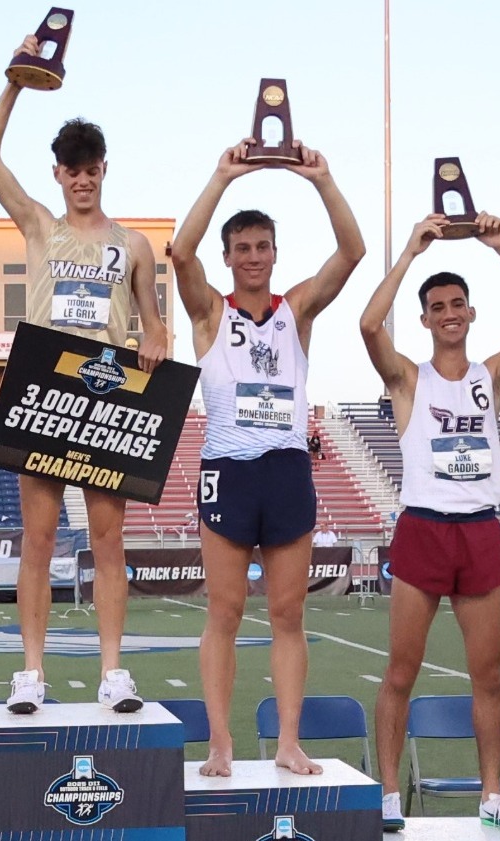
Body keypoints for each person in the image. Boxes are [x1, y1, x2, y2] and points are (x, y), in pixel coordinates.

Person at [0, 35, 174, 714]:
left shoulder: (134, 244)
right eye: (71, 169)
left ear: (104, 170)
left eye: (90, 169)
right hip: (44, 391)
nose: (81, 178)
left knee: (109, 539)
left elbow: (154, 323)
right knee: (38, 538)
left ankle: (113, 671)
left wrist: (155, 339)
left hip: (107, 396)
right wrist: (17, 83)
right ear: (57, 174)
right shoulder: (38, 226)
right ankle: (30, 672)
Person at [170, 137, 365, 776]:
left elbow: (353, 253)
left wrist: (323, 179)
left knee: (288, 613)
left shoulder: (296, 310)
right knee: (223, 611)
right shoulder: (209, 312)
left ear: (275, 253)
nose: (253, 257)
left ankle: (287, 741)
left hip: (286, 470)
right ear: (228, 257)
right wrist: (222, 175)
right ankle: (221, 742)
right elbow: (181, 251)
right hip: (228, 470)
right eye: (242, 248)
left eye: (263, 247)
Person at [356, 209, 500, 832]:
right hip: (423, 528)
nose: (448, 312)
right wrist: (411, 252)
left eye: (458, 303)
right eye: (437, 304)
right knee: (400, 670)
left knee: (488, 674)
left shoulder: (488, 377)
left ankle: (493, 792)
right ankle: (389, 792)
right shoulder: (408, 380)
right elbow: (367, 324)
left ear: (470, 314)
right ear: (424, 317)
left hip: (479, 529)